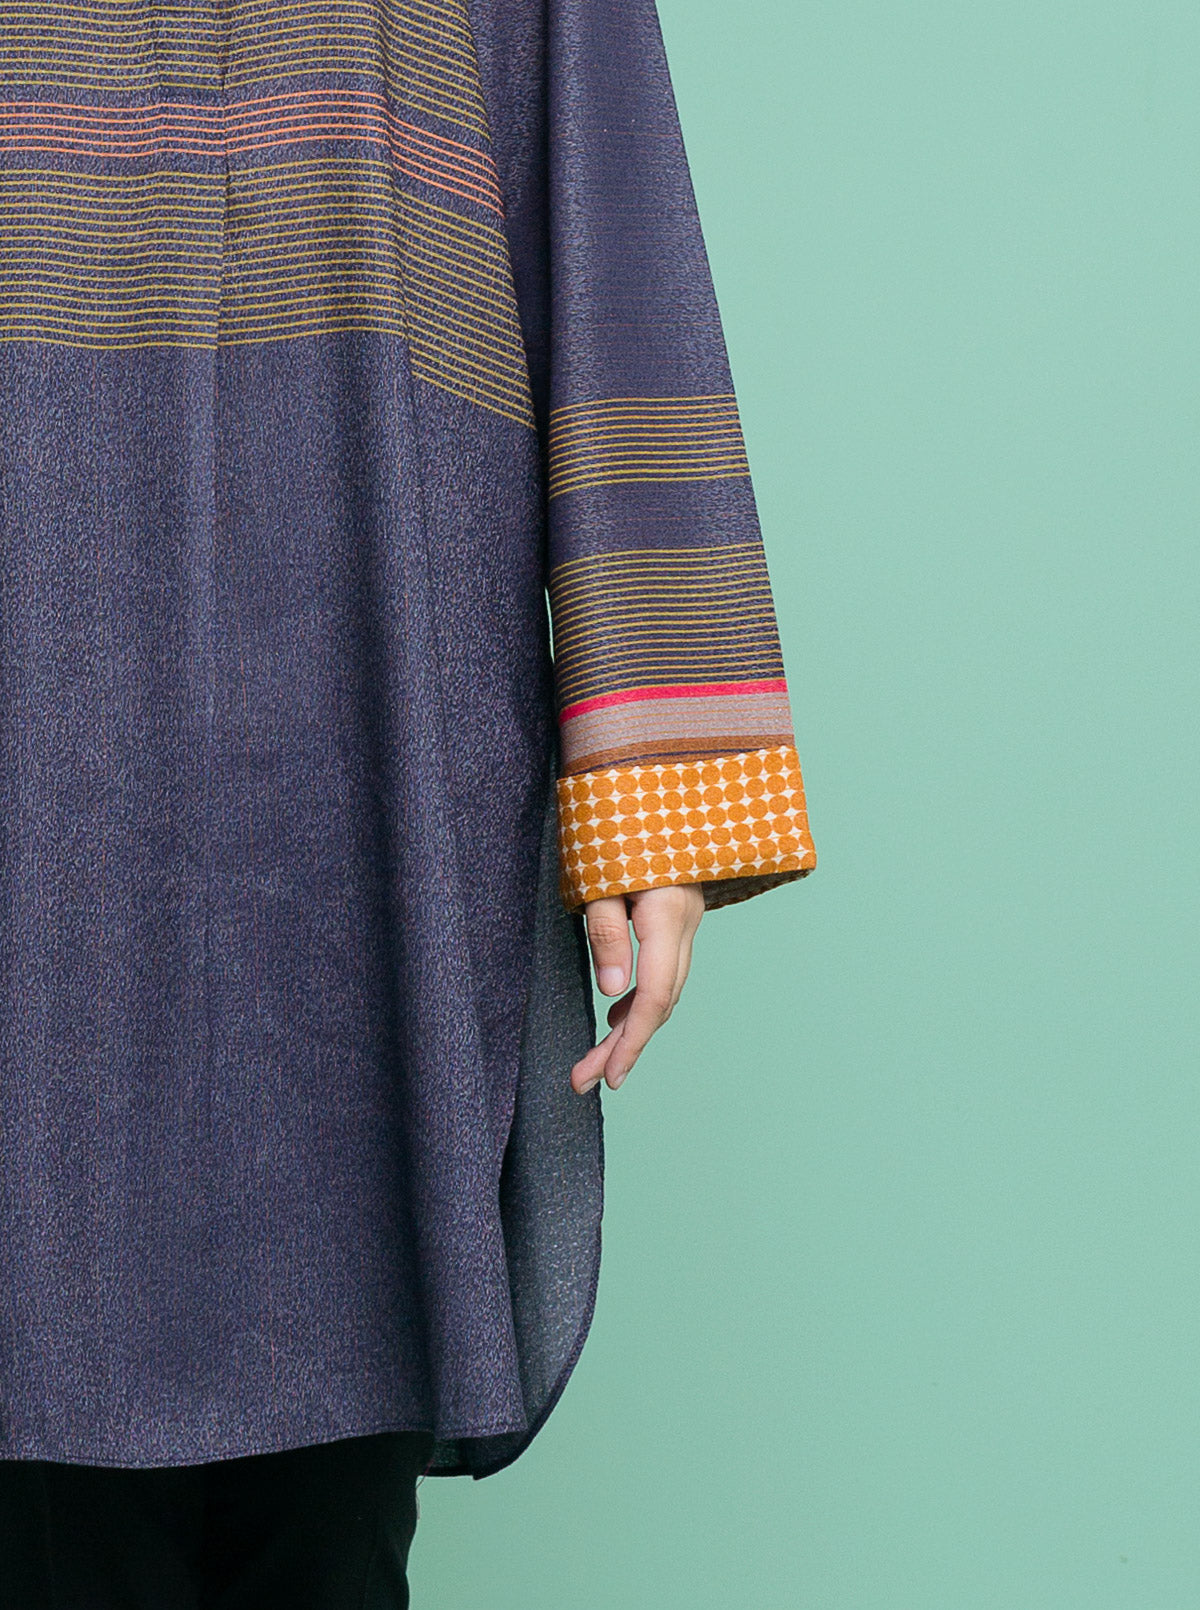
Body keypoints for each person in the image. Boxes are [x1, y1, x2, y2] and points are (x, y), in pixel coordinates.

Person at [0, 0, 817, 1602]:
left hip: (373, 716)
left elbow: (606, 194)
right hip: (37, 672)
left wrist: (652, 775)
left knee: (337, 1425)